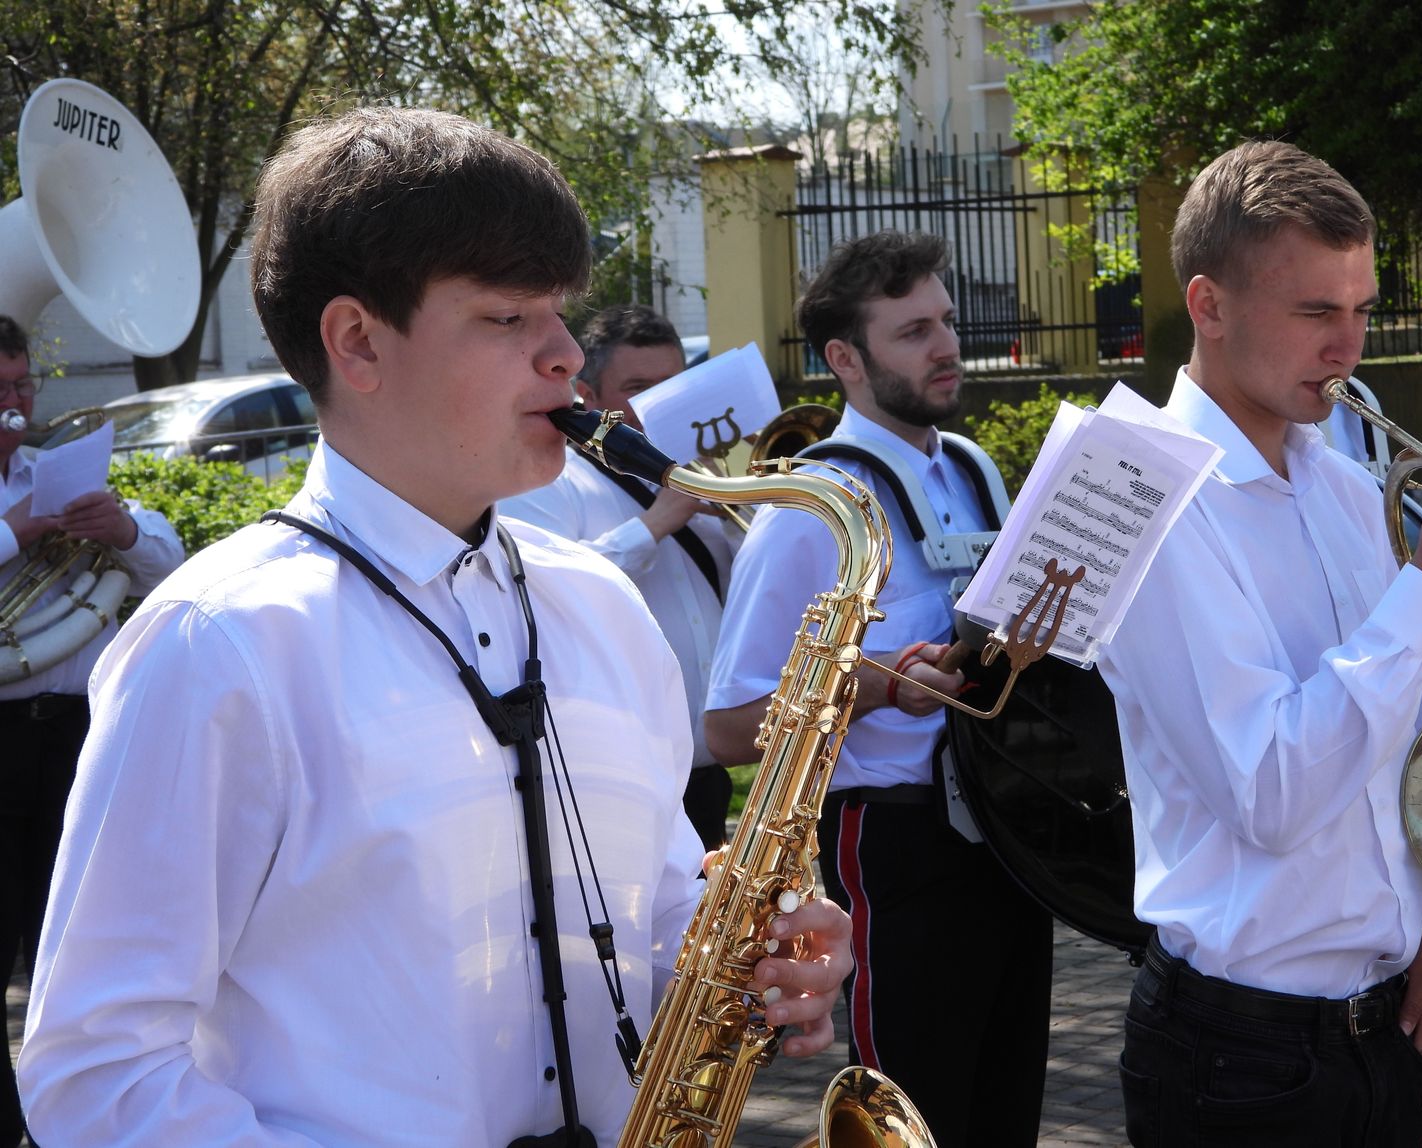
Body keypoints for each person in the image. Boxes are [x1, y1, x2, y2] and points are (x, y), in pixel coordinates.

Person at [17, 105, 850, 1147]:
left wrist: (750, 962)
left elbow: (657, 921)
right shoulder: (216, 644)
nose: (566, 358)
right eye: (508, 318)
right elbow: (95, 1075)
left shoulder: (601, 605)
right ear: (358, 341)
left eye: (560, 314)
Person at [1096, 139, 1422, 1146]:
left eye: (1362, 310)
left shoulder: (1341, 481)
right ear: (1209, 306)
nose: (1349, 347)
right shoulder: (1147, 496)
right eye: (1315, 313)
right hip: (1235, 1054)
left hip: (1380, 1032)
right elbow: (1273, 793)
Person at [705, 230, 1052, 1147]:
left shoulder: (971, 466)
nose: (947, 347)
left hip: (1007, 836)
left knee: (1003, 1119)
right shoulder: (808, 508)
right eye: (913, 332)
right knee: (916, 1118)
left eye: (946, 322)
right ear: (845, 359)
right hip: (898, 842)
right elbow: (729, 727)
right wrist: (881, 687)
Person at [0, 313, 184, 1148]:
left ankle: (68, 1119)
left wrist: (126, 532)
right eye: (1, 388)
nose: (17, 401)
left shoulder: (56, 471)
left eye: (23, 383)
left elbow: (170, 566)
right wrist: (15, 534)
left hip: (79, 733)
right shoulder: (26, 501)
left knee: (76, 933)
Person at [500, 304, 740, 849]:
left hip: (707, 772)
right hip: (617, 781)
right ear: (588, 395)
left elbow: (745, 598)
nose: (659, 404)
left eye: (671, 386)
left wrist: (734, 520)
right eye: (638, 388)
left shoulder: (691, 476)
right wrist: (656, 524)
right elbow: (546, 595)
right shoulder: (553, 483)